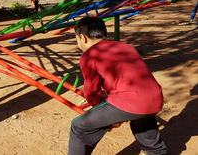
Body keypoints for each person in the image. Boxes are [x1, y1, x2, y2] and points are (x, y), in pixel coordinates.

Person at [68, 16, 167, 155]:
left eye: (76, 38)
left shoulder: (89, 56)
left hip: (130, 101)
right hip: (155, 98)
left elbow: (92, 92)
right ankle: (156, 151)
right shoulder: (124, 46)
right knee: (141, 115)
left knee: (79, 126)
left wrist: (108, 118)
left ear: (83, 38)